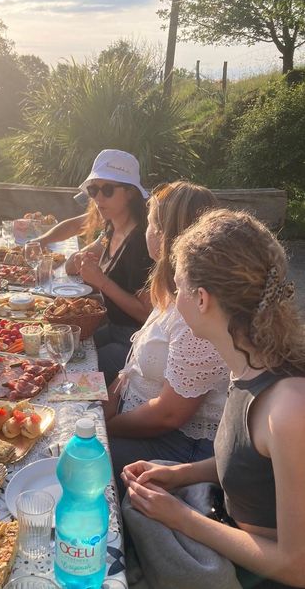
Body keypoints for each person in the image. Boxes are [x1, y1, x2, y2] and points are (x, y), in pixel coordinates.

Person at [123, 209, 305, 588]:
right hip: (227, 529)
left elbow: (296, 565)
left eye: (177, 287)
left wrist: (181, 518)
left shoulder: (287, 408)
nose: (173, 300)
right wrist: (179, 473)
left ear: (201, 298)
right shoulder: (248, 363)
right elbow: (249, 462)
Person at [104, 181, 229, 497]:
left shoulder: (198, 311)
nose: (146, 231)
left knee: (75, 464)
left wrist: (104, 428)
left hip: (182, 447)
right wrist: (111, 396)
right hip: (148, 424)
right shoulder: (173, 288)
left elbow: (170, 415)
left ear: (163, 235)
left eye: (150, 224)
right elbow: (136, 360)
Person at [65, 149, 153, 385]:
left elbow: (146, 314)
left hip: (134, 341)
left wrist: (101, 281)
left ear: (131, 193)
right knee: (60, 351)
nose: (98, 198)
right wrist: (80, 260)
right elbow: (72, 265)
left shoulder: (141, 244)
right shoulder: (112, 228)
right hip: (113, 328)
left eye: (108, 189)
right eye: (93, 190)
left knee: (71, 378)